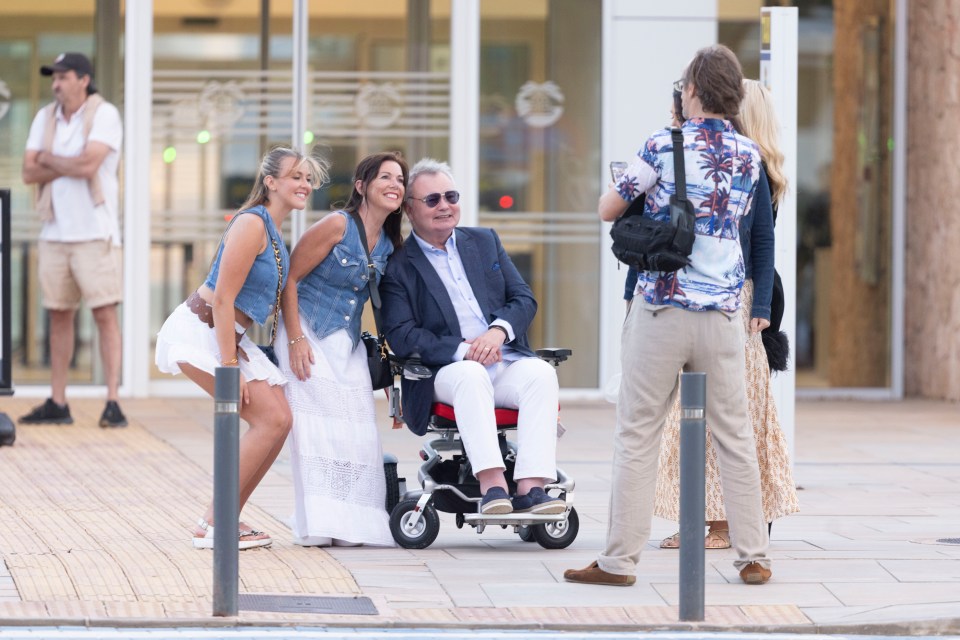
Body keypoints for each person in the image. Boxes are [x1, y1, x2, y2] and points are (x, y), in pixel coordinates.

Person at [564, 45, 772, 587]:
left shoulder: (662, 144)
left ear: (693, 90)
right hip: (723, 314)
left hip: (662, 306)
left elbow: (608, 207)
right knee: (734, 434)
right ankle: (754, 555)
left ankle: (617, 563)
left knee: (638, 433)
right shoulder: (751, 156)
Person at [155, 146, 327, 549]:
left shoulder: (273, 230)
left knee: (280, 419)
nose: (305, 184)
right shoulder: (251, 224)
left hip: (229, 335)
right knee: (269, 420)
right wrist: (230, 366)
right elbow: (221, 299)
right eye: (295, 177)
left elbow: (287, 289)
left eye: (307, 178)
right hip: (203, 331)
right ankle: (215, 523)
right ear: (271, 182)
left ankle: (224, 519)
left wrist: (297, 336)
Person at [654, 79, 799, 550]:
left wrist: (758, 310)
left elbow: (759, 244)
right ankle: (704, 517)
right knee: (692, 409)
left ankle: (724, 524)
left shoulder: (746, 165)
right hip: (703, 294)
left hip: (735, 299)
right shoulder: (718, 157)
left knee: (729, 410)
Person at [380, 158, 564, 516]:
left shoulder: (483, 241)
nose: (445, 205)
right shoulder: (398, 265)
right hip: (444, 371)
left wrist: (497, 332)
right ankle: (493, 485)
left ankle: (531, 489)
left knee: (542, 373)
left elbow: (523, 299)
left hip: (503, 358)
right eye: (432, 200)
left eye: (451, 196)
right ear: (409, 209)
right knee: (471, 373)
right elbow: (402, 336)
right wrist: (466, 350)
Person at [275, 152, 407, 547]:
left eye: (400, 179)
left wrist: (392, 376)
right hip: (307, 331)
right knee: (318, 429)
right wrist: (296, 339)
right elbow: (290, 280)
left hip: (346, 341)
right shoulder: (337, 225)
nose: (394, 184)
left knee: (360, 429)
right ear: (362, 186)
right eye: (385, 176)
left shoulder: (389, 244)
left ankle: (352, 524)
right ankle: (319, 523)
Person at [20, 52, 126, 428]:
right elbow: (28, 171)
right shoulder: (44, 117)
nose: (56, 83)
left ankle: (113, 401)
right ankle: (58, 401)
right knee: (58, 315)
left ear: (83, 79)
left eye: (63, 76)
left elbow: (87, 166)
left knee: (104, 314)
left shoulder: (105, 115)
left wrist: (50, 159)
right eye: (54, 77)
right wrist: (63, 161)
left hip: (95, 233)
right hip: (54, 232)